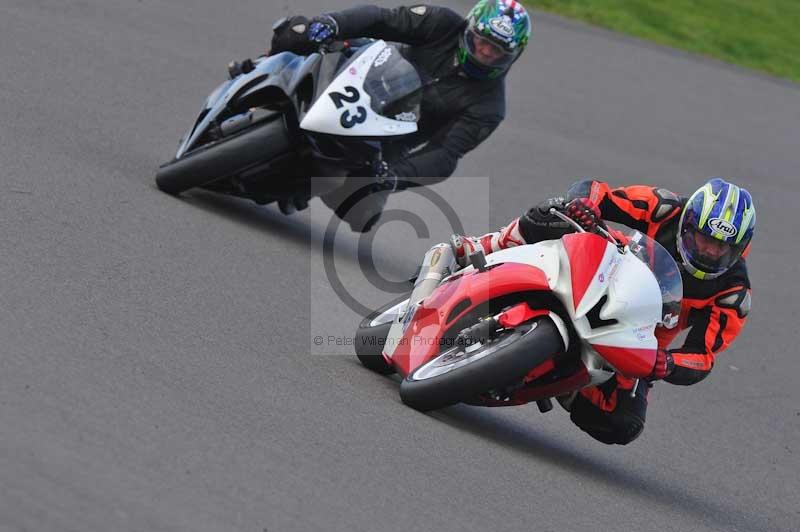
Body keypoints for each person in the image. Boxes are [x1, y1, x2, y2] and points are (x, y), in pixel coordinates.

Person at [450, 177, 756, 445]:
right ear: (688, 223)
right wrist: (585, 204)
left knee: (622, 424)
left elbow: (703, 357)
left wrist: (669, 363)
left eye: (722, 248)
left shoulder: (733, 293)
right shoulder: (665, 208)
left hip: (637, 338)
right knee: (553, 213)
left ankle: (569, 386)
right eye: (704, 239)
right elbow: (597, 189)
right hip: (608, 270)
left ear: (740, 248)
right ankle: (479, 248)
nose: (709, 251)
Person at [268, 1, 532, 231]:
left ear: (512, 57)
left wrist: (393, 177)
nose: (486, 53)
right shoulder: (440, 22)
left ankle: (301, 186)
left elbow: (446, 154)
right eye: (483, 42)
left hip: (389, 139)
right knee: (299, 32)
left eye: (496, 51)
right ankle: (260, 71)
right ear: (469, 29)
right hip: (363, 76)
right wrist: (333, 23)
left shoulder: (489, 107)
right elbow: (382, 19)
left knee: (361, 212)